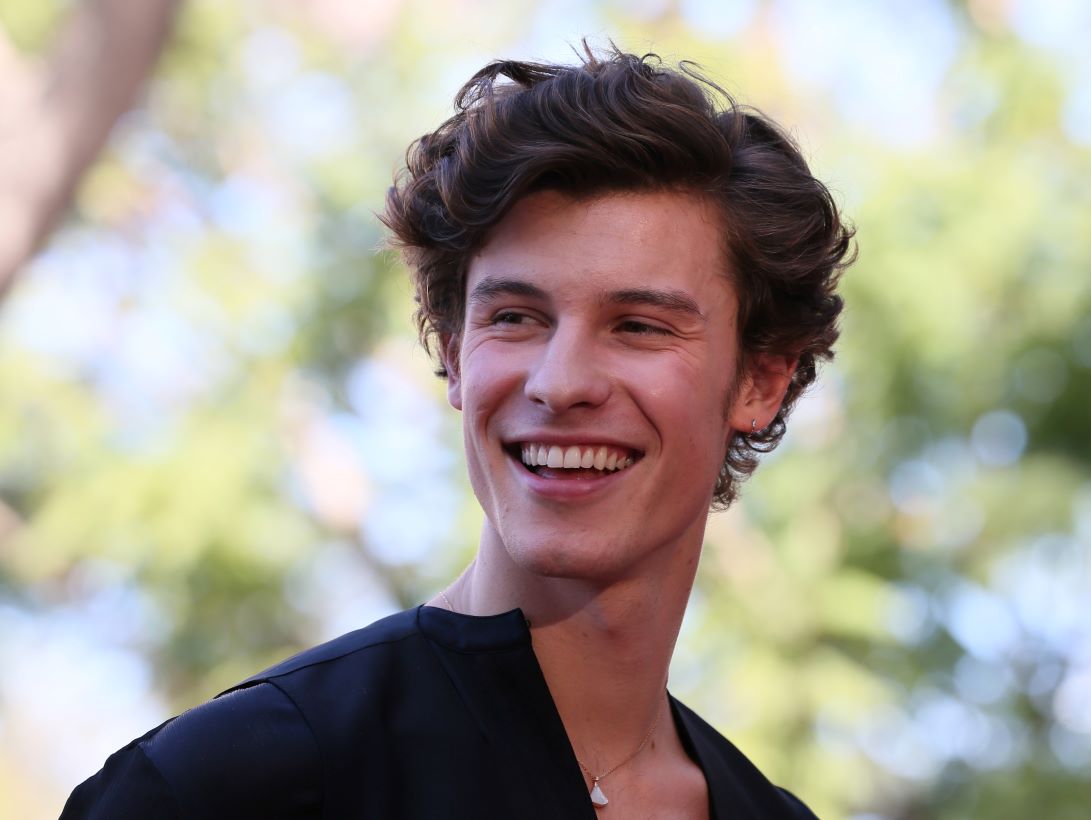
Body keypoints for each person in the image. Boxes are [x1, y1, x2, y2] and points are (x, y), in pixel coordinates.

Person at [62, 44, 852, 819]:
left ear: (760, 380)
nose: (560, 383)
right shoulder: (233, 784)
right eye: (514, 318)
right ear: (454, 356)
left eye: (639, 326)